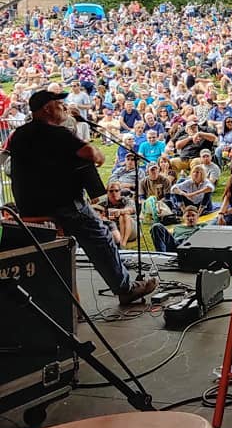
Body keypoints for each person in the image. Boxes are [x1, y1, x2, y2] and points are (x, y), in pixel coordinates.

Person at [5, 89, 156, 304]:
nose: (64, 108)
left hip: (29, 209)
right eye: (59, 104)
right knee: (102, 239)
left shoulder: (19, 135)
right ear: (47, 109)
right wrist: (99, 156)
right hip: (62, 208)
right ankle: (125, 289)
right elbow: (91, 154)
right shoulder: (57, 134)